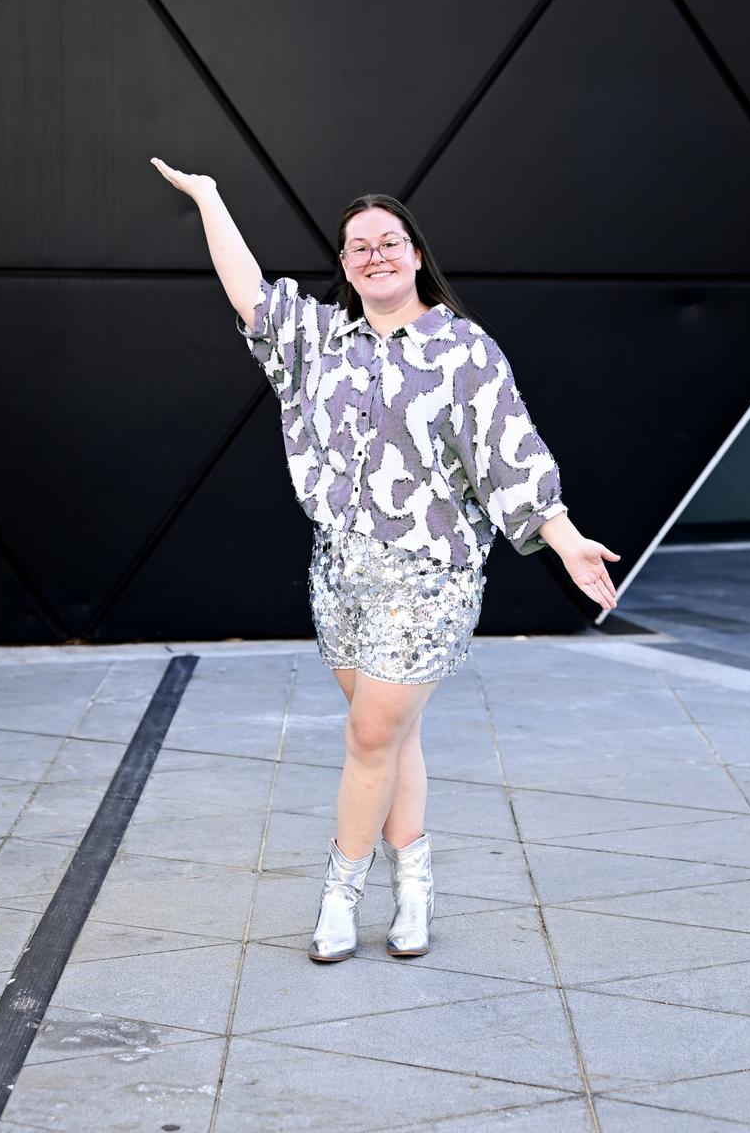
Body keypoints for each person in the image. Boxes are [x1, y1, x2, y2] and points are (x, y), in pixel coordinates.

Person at [150, 158, 621, 964]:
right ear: (344, 264)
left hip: (429, 576)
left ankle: (342, 894)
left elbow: (512, 452)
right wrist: (210, 198)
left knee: (370, 734)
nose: (374, 255)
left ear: (415, 254)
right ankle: (417, 886)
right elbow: (249, 294)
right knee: (391, 740)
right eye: (357, 246)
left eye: (388, 242)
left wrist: (567, 538)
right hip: (340, 574)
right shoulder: (321, 340)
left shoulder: (464, 350)